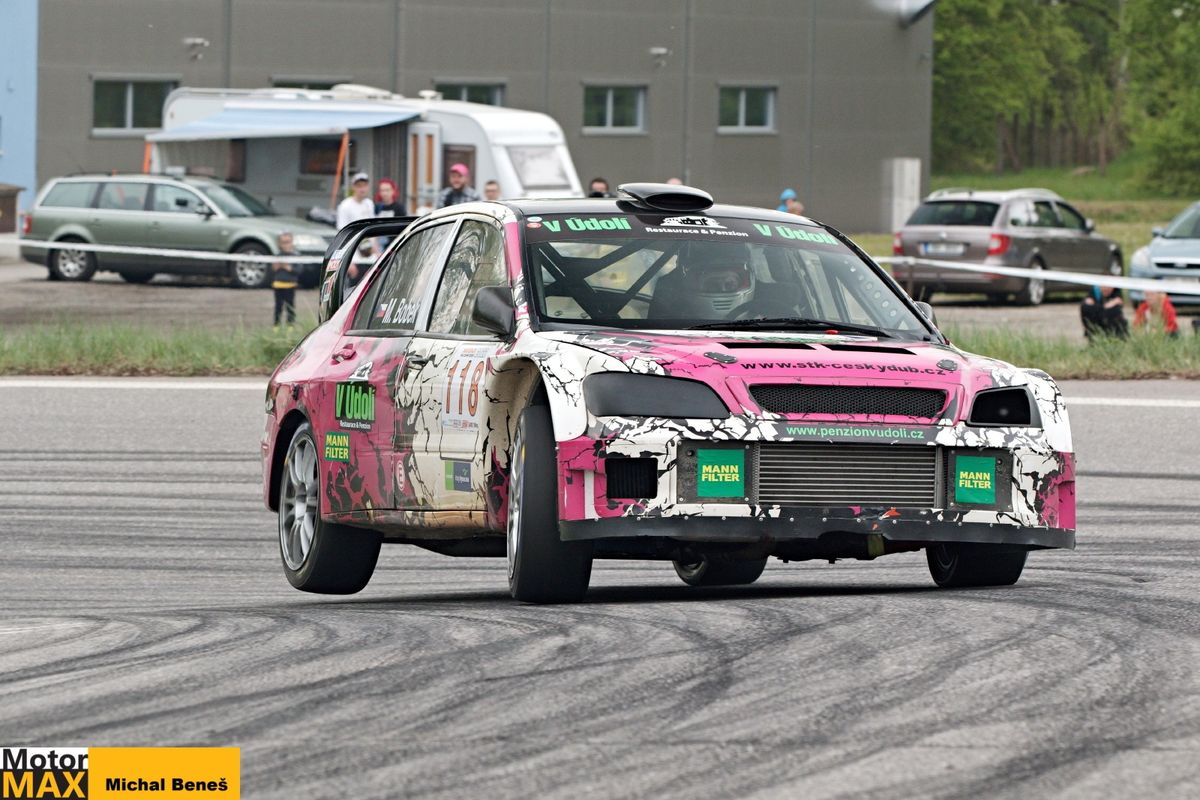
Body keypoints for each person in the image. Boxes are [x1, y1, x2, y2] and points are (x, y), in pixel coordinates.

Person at [272, 232, 298, 328]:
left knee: (290, 307)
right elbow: (272, 270)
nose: (286, 245)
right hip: (278, 285)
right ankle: (276, 326)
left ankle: (290, 326)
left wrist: (287, 267)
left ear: (292, 242)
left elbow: (299, 270)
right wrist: (276, 266)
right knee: (278, 307)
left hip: (290, 286)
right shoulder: (277, 256)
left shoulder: (295, 256)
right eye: (283, 242)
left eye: (288, 242)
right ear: (279, 244)